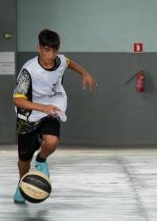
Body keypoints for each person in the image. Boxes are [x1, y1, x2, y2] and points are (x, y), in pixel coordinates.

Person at [12, 29, 97, 203]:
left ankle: (41, 160)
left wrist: (84, 73)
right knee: (23, 160)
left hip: (52, 107)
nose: (51, 55)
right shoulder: (29, 70)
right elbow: (17, 100)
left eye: (55, 51)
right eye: (47, 50)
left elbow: (69, 62)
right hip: (28, 113)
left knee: (52, 141)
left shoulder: (60, 61)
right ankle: (22, 184)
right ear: (39, 48)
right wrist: (41, 107)